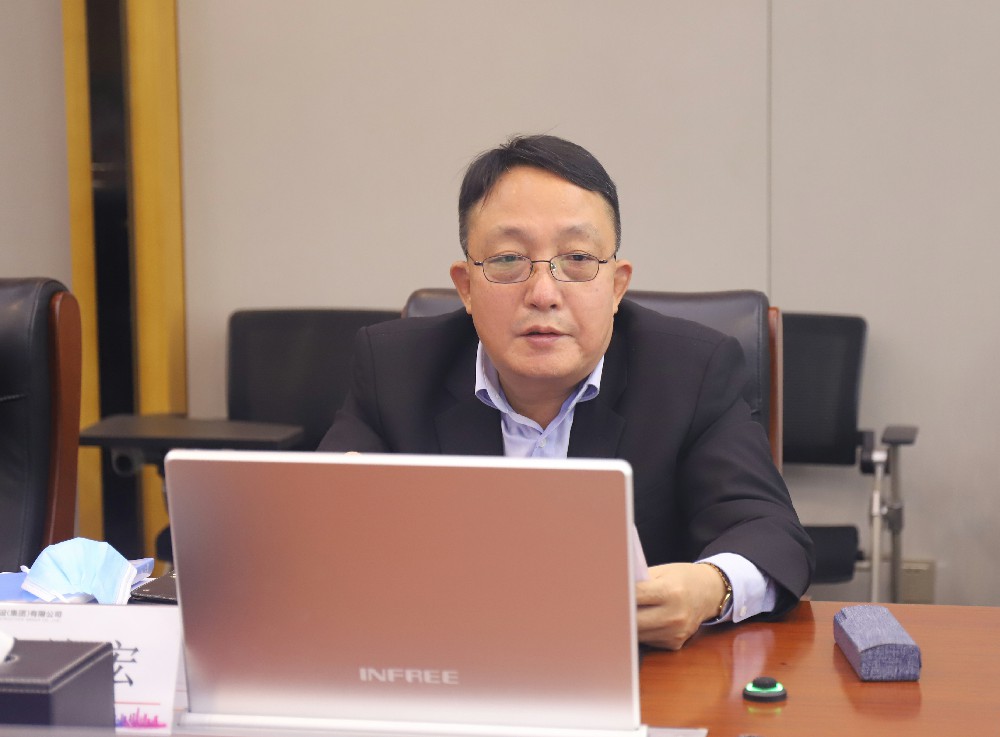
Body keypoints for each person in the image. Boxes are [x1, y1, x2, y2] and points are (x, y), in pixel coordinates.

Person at [319, 134, 813, 649]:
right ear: (465, 286)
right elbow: (316, 527)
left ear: (617, 285)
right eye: (508, 260)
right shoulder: (394, 369)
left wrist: (710, 588)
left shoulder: (690, 372)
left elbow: (773, 535)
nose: (543, 294)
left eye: (577, 258)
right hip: (446, 658)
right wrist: (330, 509)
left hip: (635, 670)